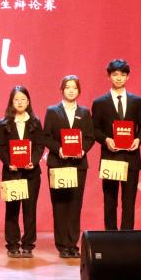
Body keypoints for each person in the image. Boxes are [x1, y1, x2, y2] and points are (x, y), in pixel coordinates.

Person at [41, 75, 95, 259]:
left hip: (78, 165)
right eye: (68, 87)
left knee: (75, 205)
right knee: (60, 205)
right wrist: (59, 150)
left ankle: (72, 244)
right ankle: (62, 245)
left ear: (79, 90)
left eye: (74, 87)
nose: (71, 90)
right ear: (62, 90)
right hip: (58, 164)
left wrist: (82, 149)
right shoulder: (52, 111)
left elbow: (90, 137)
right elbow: (46, 136)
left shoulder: (84, 112)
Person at [90, 59, 141, 231]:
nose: (119, 78)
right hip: (110, 157)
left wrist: (138, 140)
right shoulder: (100, 102)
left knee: (129, 202)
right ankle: (111, 236)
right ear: (109, 76)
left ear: (128, 77)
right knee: (110, 201)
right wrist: (106, 140)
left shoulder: (137, 101)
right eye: (115, 74)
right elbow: (94, 129)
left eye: (122, 74)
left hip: (131, 158)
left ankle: (127, 236)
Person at [0, 85, 44, 258]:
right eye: (16, 99)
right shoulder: (4, 124)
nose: (20, 102)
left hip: (31, 174)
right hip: (12, 173)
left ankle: (28, 244)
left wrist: (33, 161)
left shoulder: (35, 123)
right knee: (12, 210)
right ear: (11, 102)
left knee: (30, 210)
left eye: (23, 99)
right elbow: (0, 146)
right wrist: (9, 163)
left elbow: (40, 145)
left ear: (28, 101)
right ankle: (13, 244)